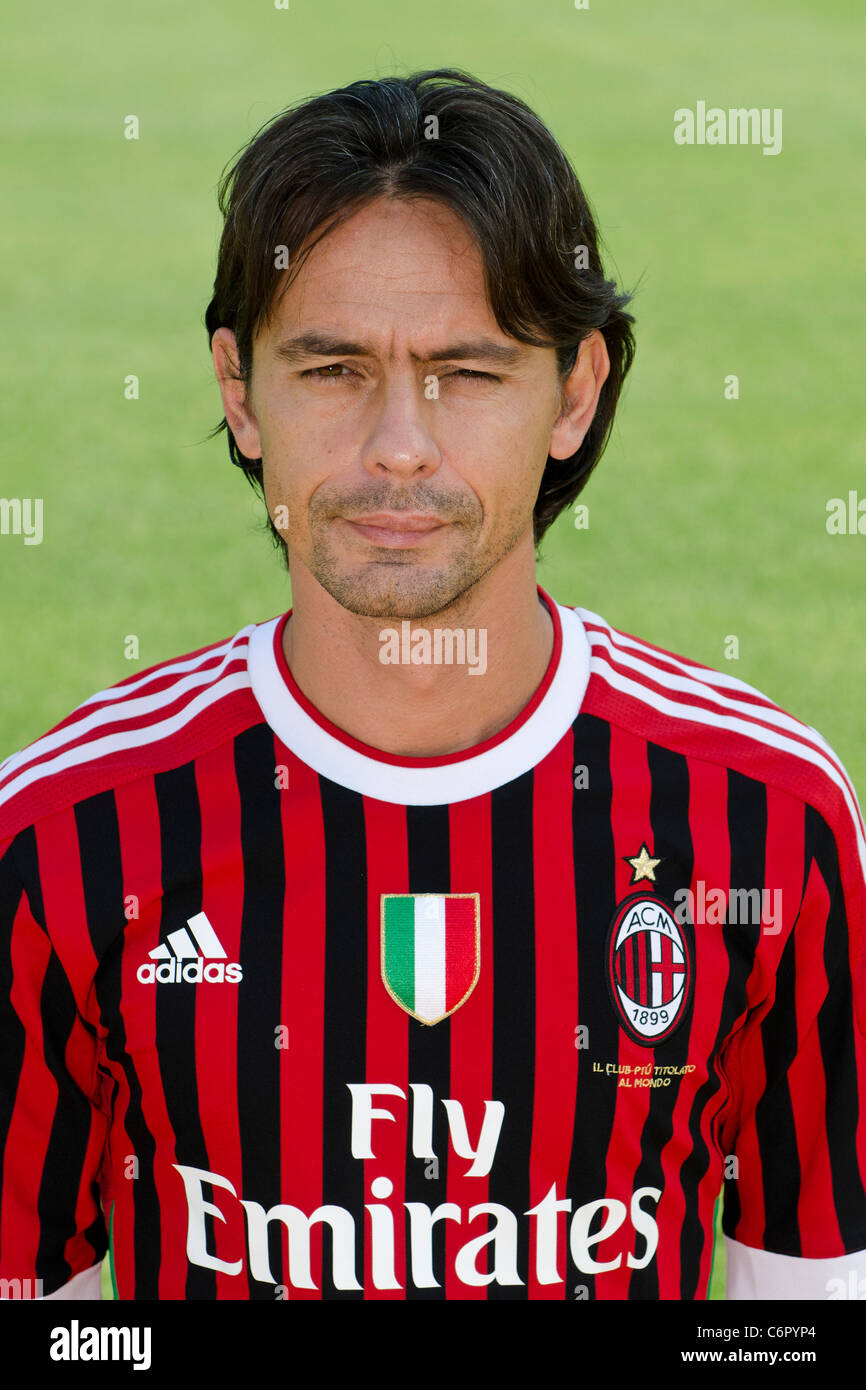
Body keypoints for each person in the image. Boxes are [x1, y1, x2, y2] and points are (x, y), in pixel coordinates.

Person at [1, 69, 863, 1302]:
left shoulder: (766, 820)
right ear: (239, 392)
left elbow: (807, 1304)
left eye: (465, 371)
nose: (398, 443)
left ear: (575, 392)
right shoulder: (67, 835)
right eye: (333, 368)